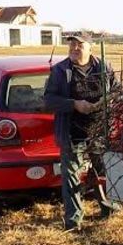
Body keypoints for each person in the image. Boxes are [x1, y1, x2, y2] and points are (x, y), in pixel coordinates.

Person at [44, 33, 118, 231]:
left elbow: (118, 90)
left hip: (98, 131)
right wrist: (74, 104)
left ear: (90, 48)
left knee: (102, 172)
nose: (74, 48)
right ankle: (73, 220)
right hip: (71, 132)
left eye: (79, 45)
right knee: (71, 176)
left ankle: (108, 207)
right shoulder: (60, 71)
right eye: (72, 45)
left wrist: (106, 101)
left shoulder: (104, 67)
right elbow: (49, 100)